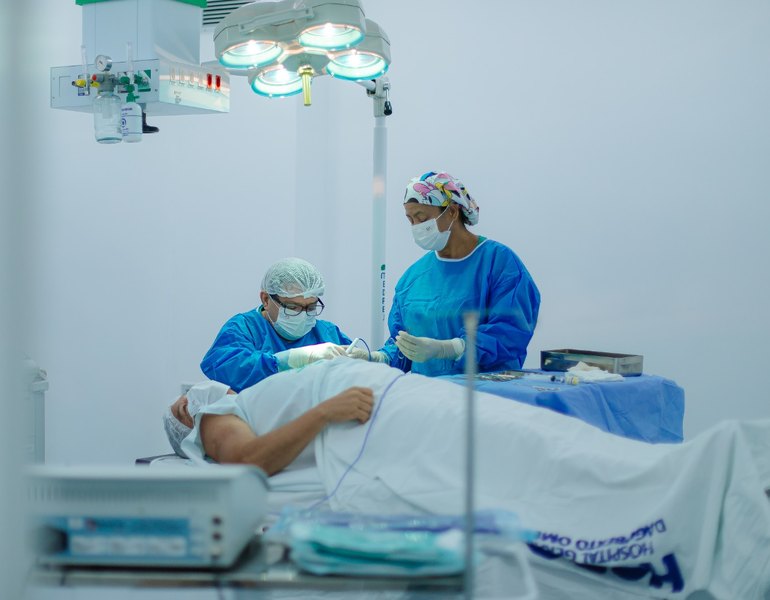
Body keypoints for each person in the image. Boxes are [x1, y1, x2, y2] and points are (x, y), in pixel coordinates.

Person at [166, 358, 770, 600]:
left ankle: (705, 479)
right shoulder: (210, 411)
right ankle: (708, 482)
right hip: (375, 419)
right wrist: (325, 411)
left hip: (391, 400)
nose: (185, 397)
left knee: (542, 449)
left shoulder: (241, 397)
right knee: (537, 463)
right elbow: (249, 463)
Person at [366, 171, 541, 376]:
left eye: (422, 218)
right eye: (410, 220)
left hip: (485, 391)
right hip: (427, 392)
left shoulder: (499, 264)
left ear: (452, 211)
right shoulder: (412, 279)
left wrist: (451, 348)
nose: (416, 227)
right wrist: (377, 358)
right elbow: (403, 345)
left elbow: (511, 331)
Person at [200, 257, 354, 391]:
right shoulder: (243, 329)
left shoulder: (327, 333)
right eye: (292, 307)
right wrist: (287, 361)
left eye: (311, 307)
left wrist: (364, 360)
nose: (303, 315)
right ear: (266, 299)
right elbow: (226, 368)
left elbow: (354, 376)